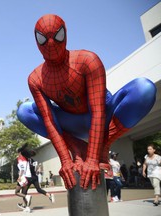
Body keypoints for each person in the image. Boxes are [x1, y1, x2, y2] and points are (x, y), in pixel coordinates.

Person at [17, 14, 156, 190]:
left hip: (104, 116)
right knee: (24, 111)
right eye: (43, 39)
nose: (51, 44)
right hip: (72, 122)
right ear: (36, 40)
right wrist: (66, 159)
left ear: (65, 34)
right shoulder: (36, 79)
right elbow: (49, 121)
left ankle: (104, 143)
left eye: (57, 36)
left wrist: (93, 158)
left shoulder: (87, 60)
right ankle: (77, 146)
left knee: (144, 88)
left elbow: (98, 110)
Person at [15, 144, 32, 213]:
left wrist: (19, 177)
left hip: (23, 177)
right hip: (28, 177)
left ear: (19, 152)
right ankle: (27, 208)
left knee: (17, 192)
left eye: (17, 152)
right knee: (23, 193)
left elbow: (22, 169)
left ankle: (28, 197)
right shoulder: (26, 158)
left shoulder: (20, 158)